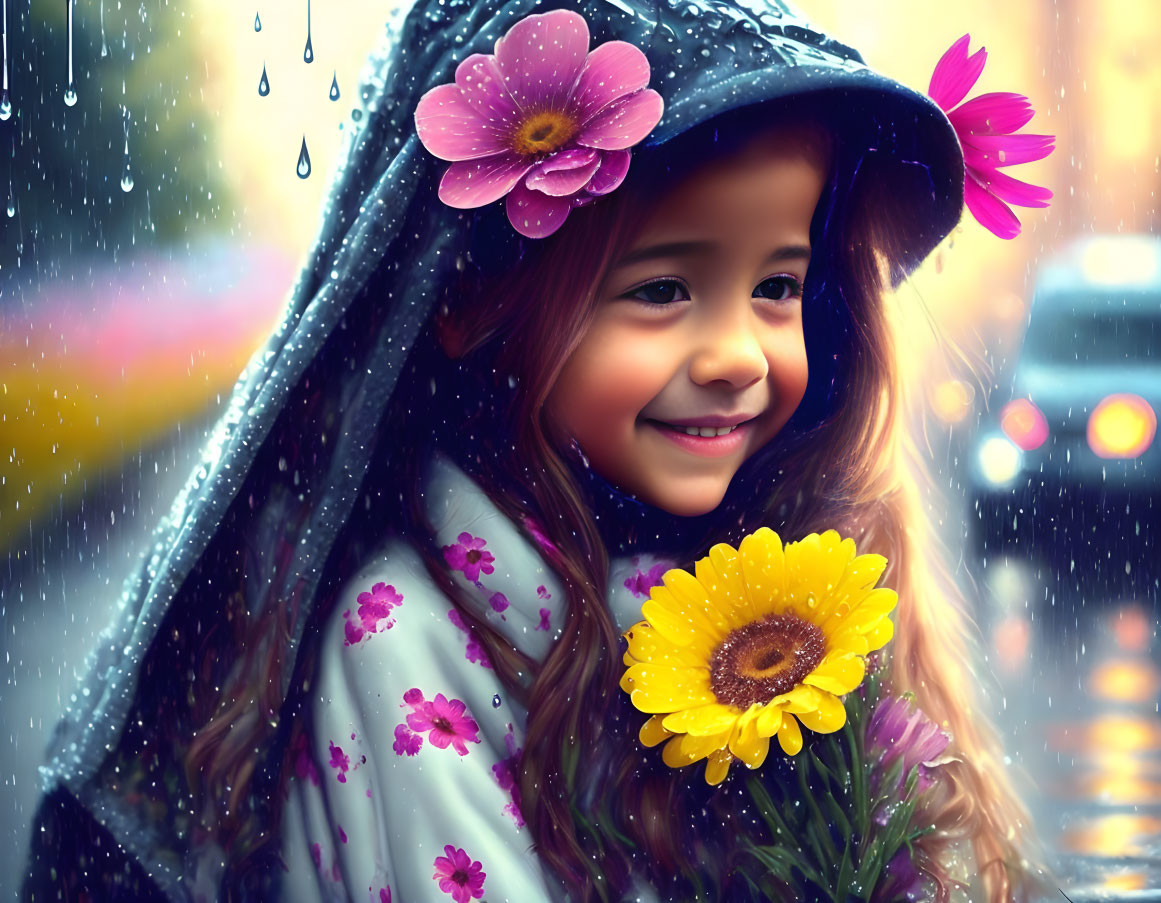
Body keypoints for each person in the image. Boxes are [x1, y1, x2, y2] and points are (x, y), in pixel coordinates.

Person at [23, 1, 1060, 901]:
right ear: (474, 300)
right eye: (662, 291)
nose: (740, 355)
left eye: (778, 288)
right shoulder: (402, 645)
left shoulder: (781, 603)